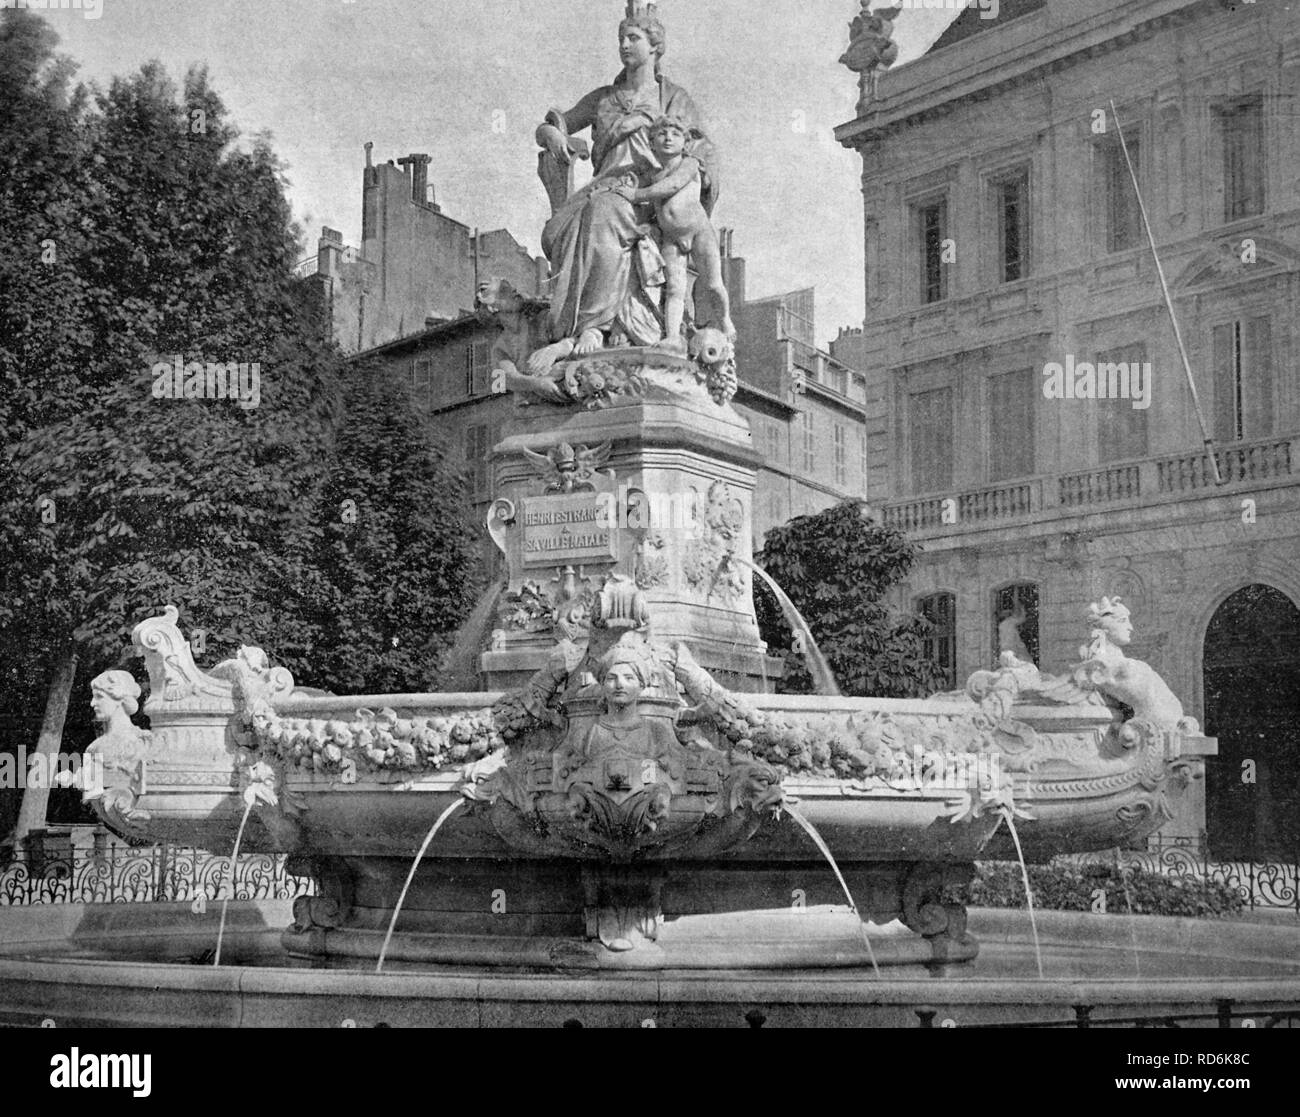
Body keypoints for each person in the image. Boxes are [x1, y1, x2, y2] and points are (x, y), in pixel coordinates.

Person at [528, 7, 718, 375]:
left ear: (655, 47)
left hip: (652, 195)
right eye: (621, 39)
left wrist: (679, 180)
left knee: (602, 215)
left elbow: (701, 151)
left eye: (634, 39)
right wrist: (551, 133)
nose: (625, 46)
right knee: (564, 229)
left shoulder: (673, 98)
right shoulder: (604, 98)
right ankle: (583, 327)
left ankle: (592, 327)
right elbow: (554, 123)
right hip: (606, 187)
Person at [618, 116, 734, 352]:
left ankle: (725, 321)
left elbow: (670, 187)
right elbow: (654, 207)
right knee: (675, 289)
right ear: (651, 143)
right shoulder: (654, 176)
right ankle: (671, 336)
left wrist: (635, 194)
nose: (668, 138)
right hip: (672, 239)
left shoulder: (689, 164)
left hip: (699, 233)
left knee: (713, 285)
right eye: (661, 134)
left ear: (685, 142)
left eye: (675, 134)